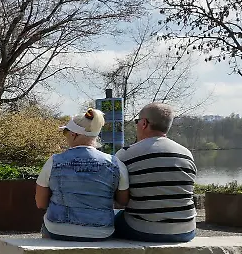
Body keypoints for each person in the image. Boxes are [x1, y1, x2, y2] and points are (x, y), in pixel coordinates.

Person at [35, 108, 130, 241]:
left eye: (65, 132)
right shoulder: (115, 163)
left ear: (74, 134)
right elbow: (123, 201)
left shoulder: (54, 161)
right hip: (101, 231)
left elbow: (40, 203)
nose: (65, 135)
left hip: (58, 229)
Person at [114, 102, 198, 242]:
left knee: (110, 220)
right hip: (186, 229)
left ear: (144, 123)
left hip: (142, 229)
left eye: (137, 122)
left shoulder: (125, 155)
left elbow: (120, 198)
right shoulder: (186, 154)